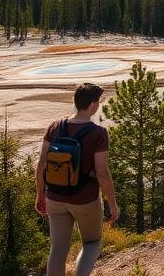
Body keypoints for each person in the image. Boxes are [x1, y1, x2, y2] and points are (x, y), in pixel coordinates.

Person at [36, 82, 119, 276]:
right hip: (85, 200)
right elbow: (102, 173)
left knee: (57, 250)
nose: (98, 105)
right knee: (92, 242)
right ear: (92, 105)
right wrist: (113, 205)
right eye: (97, 102)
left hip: (55, 198)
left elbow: (41, 165)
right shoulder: (99, 133)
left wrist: (40, 195)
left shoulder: (54, 127)